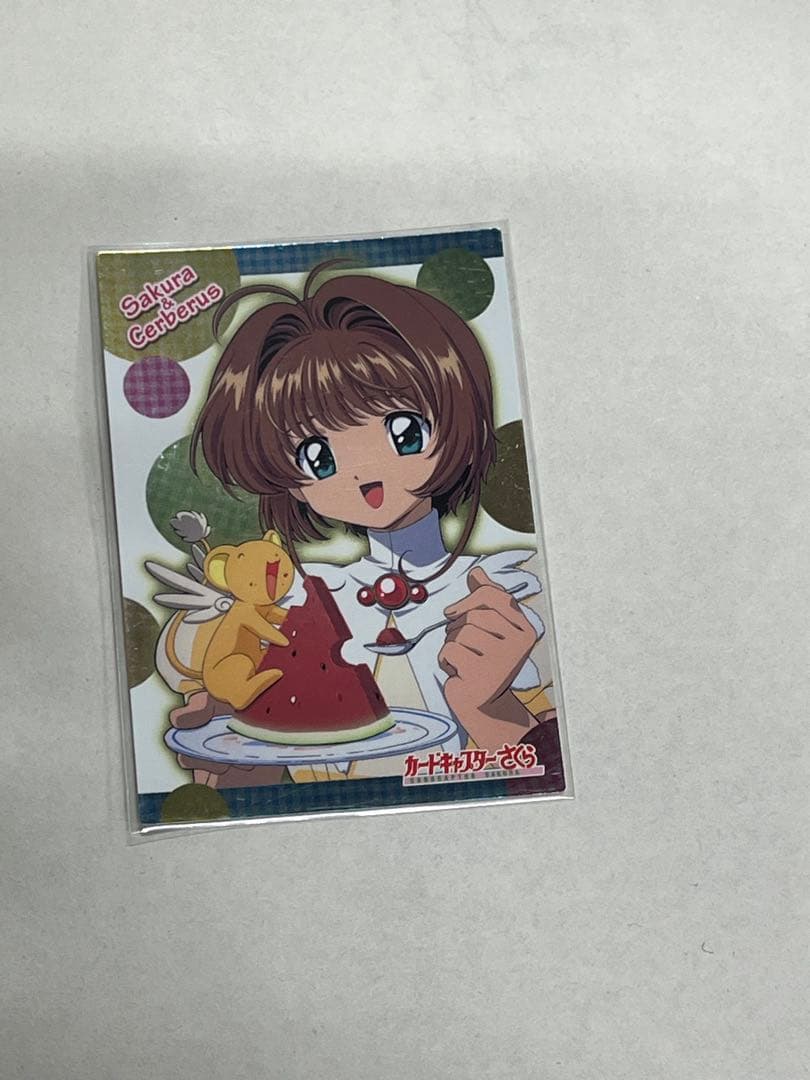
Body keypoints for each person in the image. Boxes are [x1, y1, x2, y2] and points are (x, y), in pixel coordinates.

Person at [161, 262, 557, 785]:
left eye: (404, 431)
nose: (365, 474)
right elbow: (288, 783)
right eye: (318, 457)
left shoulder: (515, 594)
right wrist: (237, 760)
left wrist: (493, 709)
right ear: (287, 480)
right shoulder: (294, 600)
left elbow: (562, 780)